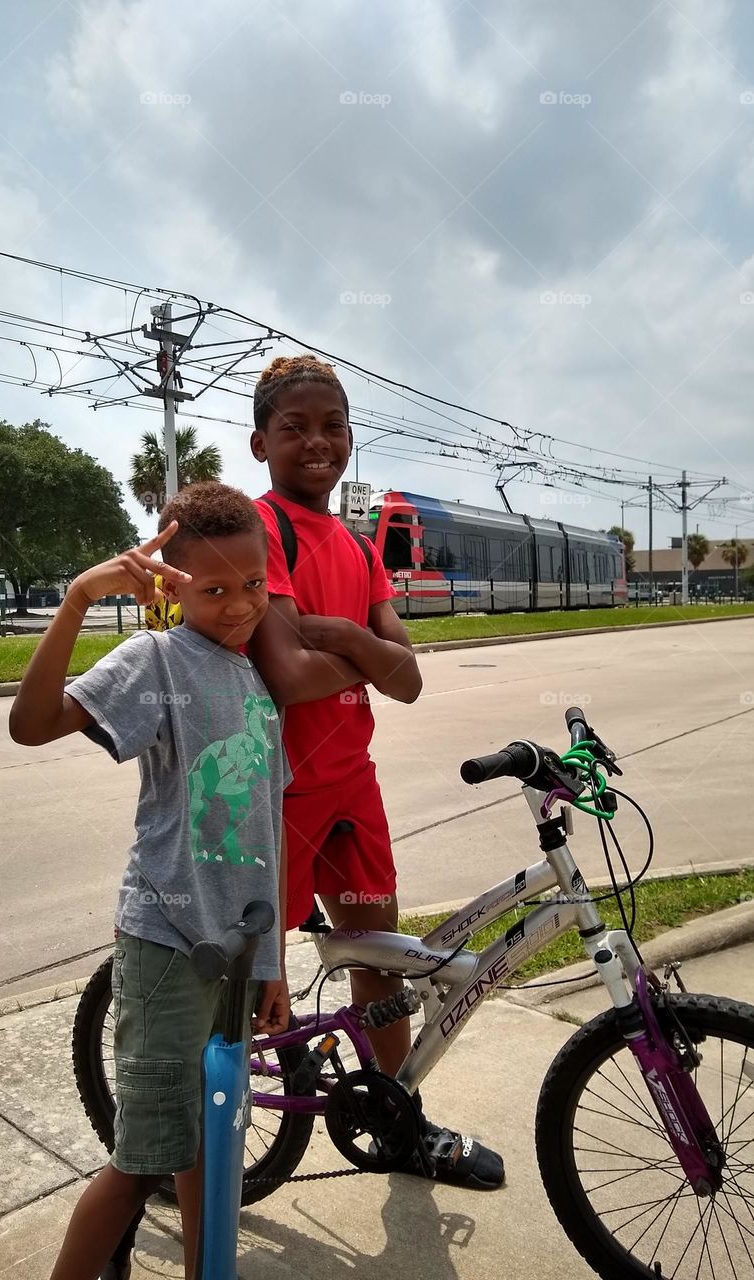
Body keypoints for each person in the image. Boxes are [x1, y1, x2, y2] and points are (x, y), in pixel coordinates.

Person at [8, 482, 289, 1280]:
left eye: (253, 586)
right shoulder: (156, 660)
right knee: (145, 1158)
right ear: (171, 583)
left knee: (209, 1140)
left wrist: (270, 967)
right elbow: (31, 725)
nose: (239, 606)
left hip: (235, 963)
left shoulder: (252, 682)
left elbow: (269, 828)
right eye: (214, 589)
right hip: (167, 948)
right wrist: (77, 599)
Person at [247, 354, 504, 1190]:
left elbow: (412, 678)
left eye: (332, 427)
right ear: (262, 443)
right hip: (272, 792)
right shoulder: (261, 529)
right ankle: (196, 1125)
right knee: (254, 977)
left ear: (351, 438)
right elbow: (286, 674)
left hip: (351, 786)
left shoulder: (359, 550)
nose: (316, 441)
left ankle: (396, 1119)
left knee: (380, 962)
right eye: (296, 428)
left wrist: (350, 641)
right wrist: (375, 655)